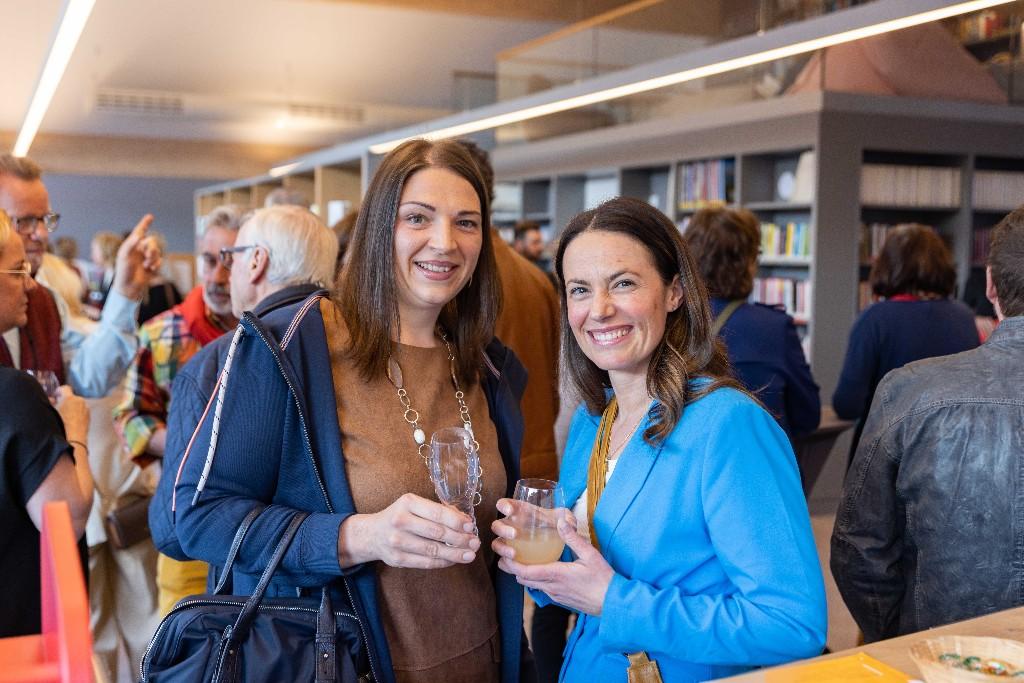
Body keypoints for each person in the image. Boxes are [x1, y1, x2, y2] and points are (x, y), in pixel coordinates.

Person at [173, 140, 532, 683]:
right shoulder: (291, 344)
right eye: (418, 218)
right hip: (340, 665)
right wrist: (356, 537)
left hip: (481, 660)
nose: (445, 242)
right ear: (378, 227)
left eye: (467, 222)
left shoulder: (486, 363)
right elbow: (200, 516)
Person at [493, 196, 827, 682]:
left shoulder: (729, 426)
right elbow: (595, 565)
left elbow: (792, 626)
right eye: (580, 290)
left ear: (674, 292)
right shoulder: (595, 419)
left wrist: (615, 600)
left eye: (623, 283)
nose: (599, 310)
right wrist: (546, 546)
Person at [831, 206, 1024, 642]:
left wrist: (901, 638)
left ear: (990, 283)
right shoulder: (956, 316)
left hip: (935, 650)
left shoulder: (906, 384)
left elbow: (859, 550)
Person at [151, 204, 338, 563]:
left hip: (261, 595)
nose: (227, 270)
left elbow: (172, 529)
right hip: (359, 585)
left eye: (231, 257)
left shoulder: (219, 361)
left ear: (256, 262)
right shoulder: (366, 344)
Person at [457, 139, 564, 681]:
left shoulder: (467, 282)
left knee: (490, 595)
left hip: (490, 458)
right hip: (541, 453)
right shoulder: (538, 279)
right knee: (544, 591)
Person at [113, 204, 242, 615]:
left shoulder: (274, 334)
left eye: (230, 261)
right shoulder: (164, 332)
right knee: (185, 643)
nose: (218, 277)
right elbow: (130, 417)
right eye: (209, 260)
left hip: (256, 526)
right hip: (185, 523)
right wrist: (191, 440)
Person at [0, 209, 93, 637]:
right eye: (18, 270)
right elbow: (68, 517)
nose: (31, 283)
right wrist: (75, 431)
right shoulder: (14, 393)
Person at [0, 153, 160, 397]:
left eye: (45, 220)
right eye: (25, 221)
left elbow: (86, 377)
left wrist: (126, 290)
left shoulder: (46, 303)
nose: (42, 234)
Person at [832, 223, 979, 460]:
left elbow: (847, 405)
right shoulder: (963, 317)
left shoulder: (875, 319)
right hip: (950, 455)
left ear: (886, 265)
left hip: (886, 458)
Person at [684, 206, 820, 439]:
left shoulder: (670, 323)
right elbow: (808, 416)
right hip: (758, 463)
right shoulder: (774, 328)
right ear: (746, 263)